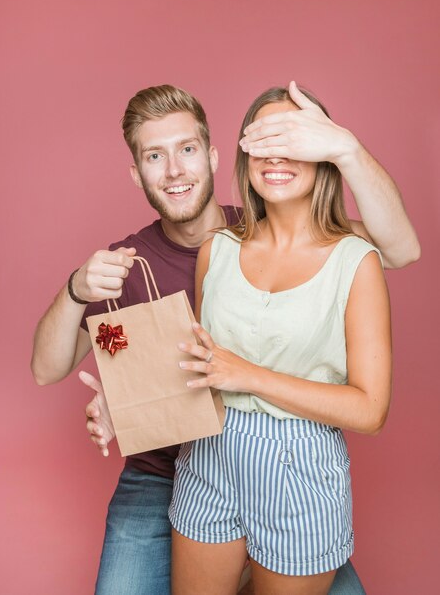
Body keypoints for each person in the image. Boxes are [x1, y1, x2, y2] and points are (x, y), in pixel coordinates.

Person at [31, 83, 419, 595]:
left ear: (214, 156)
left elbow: (399, 248)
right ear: (136, 172)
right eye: (155, 156)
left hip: (285, 462)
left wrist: (342, 146)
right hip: (165, 470)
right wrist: (120, 390)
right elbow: (48, 369)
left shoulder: (277, 219)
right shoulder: (128, 264)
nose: (174, 171)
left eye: (187, 150)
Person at [169, 86, 392, 594]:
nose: (274, 155)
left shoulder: (356, 261)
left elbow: (370, 410)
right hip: (208, 455)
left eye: (291, 141)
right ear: (245, 156)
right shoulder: (217, 249)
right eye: (262, 141)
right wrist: (128, 407)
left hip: (302, 469)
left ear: (322, 157)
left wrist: (248, 375)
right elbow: (200, 369)